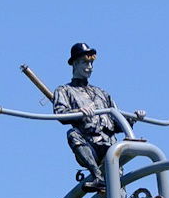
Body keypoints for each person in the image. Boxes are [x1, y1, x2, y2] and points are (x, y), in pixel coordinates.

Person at [52, 42, 121, 188]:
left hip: (110, 146)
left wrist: (134, 118)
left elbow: (118, 122)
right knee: (72, 134)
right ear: (75, 64)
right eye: (85, 62)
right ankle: (97, 176)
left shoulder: (102, 93)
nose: (89, 67)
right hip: (90, 145)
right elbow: (60, 114)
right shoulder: (64, 90)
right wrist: (78, 112)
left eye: (91, 63)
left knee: (119, 192)